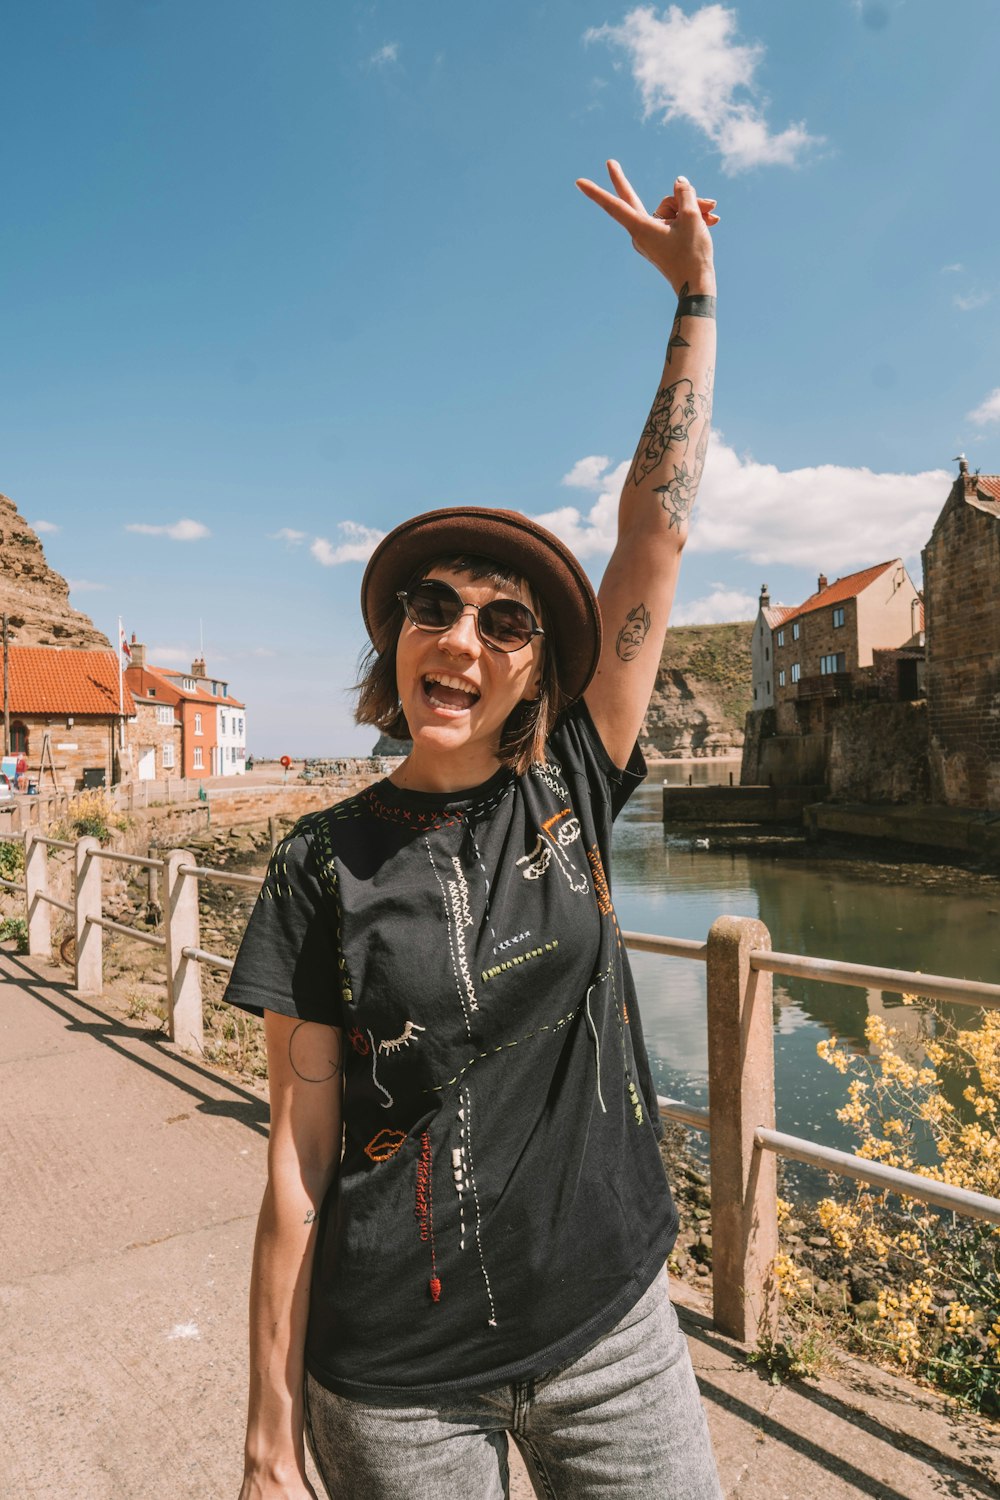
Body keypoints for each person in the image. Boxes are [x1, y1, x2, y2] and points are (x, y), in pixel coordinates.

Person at [227, 162, 721, 1500]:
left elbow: (655, 540)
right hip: (392, 1381)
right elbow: (298, 1157)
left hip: (612, 1337)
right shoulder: (317, 865)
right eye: (433, 605)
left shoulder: (575, 776)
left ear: (539, 670)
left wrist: (695, 298)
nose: (463, 636)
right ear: (396, 643)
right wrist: (267, 1436)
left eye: (507, 622)